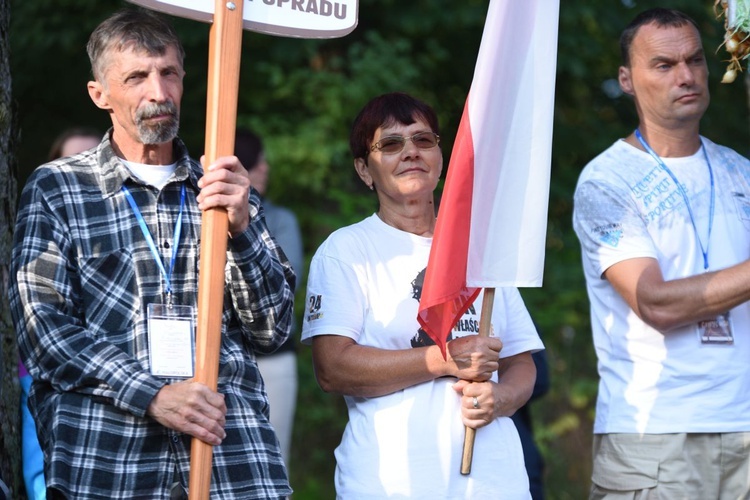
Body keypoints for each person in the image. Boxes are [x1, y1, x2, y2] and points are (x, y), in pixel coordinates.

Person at [9, 9, 295, 499]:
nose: (158, 94)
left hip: (230, 458)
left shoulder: (221, 185)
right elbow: (45, 333)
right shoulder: (60, 188)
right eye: (137, 77)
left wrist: (243, 228)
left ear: (184, 80)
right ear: (100, 95)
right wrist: (154, 396)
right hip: (110, 459)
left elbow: (273, 327)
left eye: (168, 73)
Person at [301, 92, 544, 499]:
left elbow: (521, 362)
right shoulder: (345, 250)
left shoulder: (479, 250)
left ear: (441, 156)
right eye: (391, 144)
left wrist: (500, 398)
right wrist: (445, 359)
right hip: (392, 482)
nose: (411, 152)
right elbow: (333, 368)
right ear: (365, 170)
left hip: (494, 482)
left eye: (423, 140)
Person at [572, 8, 750, 499]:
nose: (687, 75)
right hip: (654, 434)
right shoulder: (607, 181)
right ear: (627, 79)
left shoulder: (742, 173)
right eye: (664, 65)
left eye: (695, 59)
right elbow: (656, 303)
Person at [19, 126, 105, 500]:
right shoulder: (39, 221)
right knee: (43, 471)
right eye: (71, 161)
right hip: (47, 372)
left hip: (114, 383)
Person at [234, 128, 304, 473]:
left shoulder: (280, 219)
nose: (266, 170)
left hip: (272, 358)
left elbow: (284, 294)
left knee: (272, 465)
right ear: (255, 168)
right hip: (218, 359)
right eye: (261, 163)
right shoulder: (201, 213)